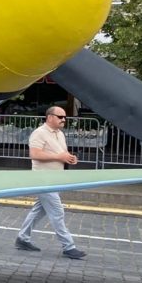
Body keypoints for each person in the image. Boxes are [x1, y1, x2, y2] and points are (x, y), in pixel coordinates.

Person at [14, 106, 85, 259]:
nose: (64, 120)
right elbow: (34, 154)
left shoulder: (60, 134)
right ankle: (68, 246)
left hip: (55, 179)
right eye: (60, 117)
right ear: (50, 117)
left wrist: (69, 158)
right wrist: (59, 157)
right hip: (43, 179)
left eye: (65, 117)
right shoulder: (39, 133)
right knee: (57, 211)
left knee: (39, 210)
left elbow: (61, 154)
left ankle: (22, 238)